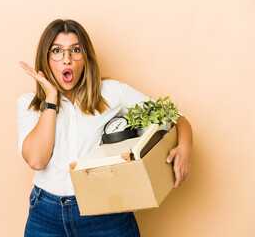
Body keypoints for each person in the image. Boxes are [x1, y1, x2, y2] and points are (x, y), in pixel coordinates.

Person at [17, 19, 193, 237]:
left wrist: (184, 148)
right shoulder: (29, 104)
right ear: (45, 58)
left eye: (75, 50)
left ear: (86, 57)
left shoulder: (112, 93)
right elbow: (36, 160)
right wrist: (51, 99)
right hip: (46, 214)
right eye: (57, 51)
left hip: (105, 213)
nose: (67, 60)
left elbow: (176, 117)